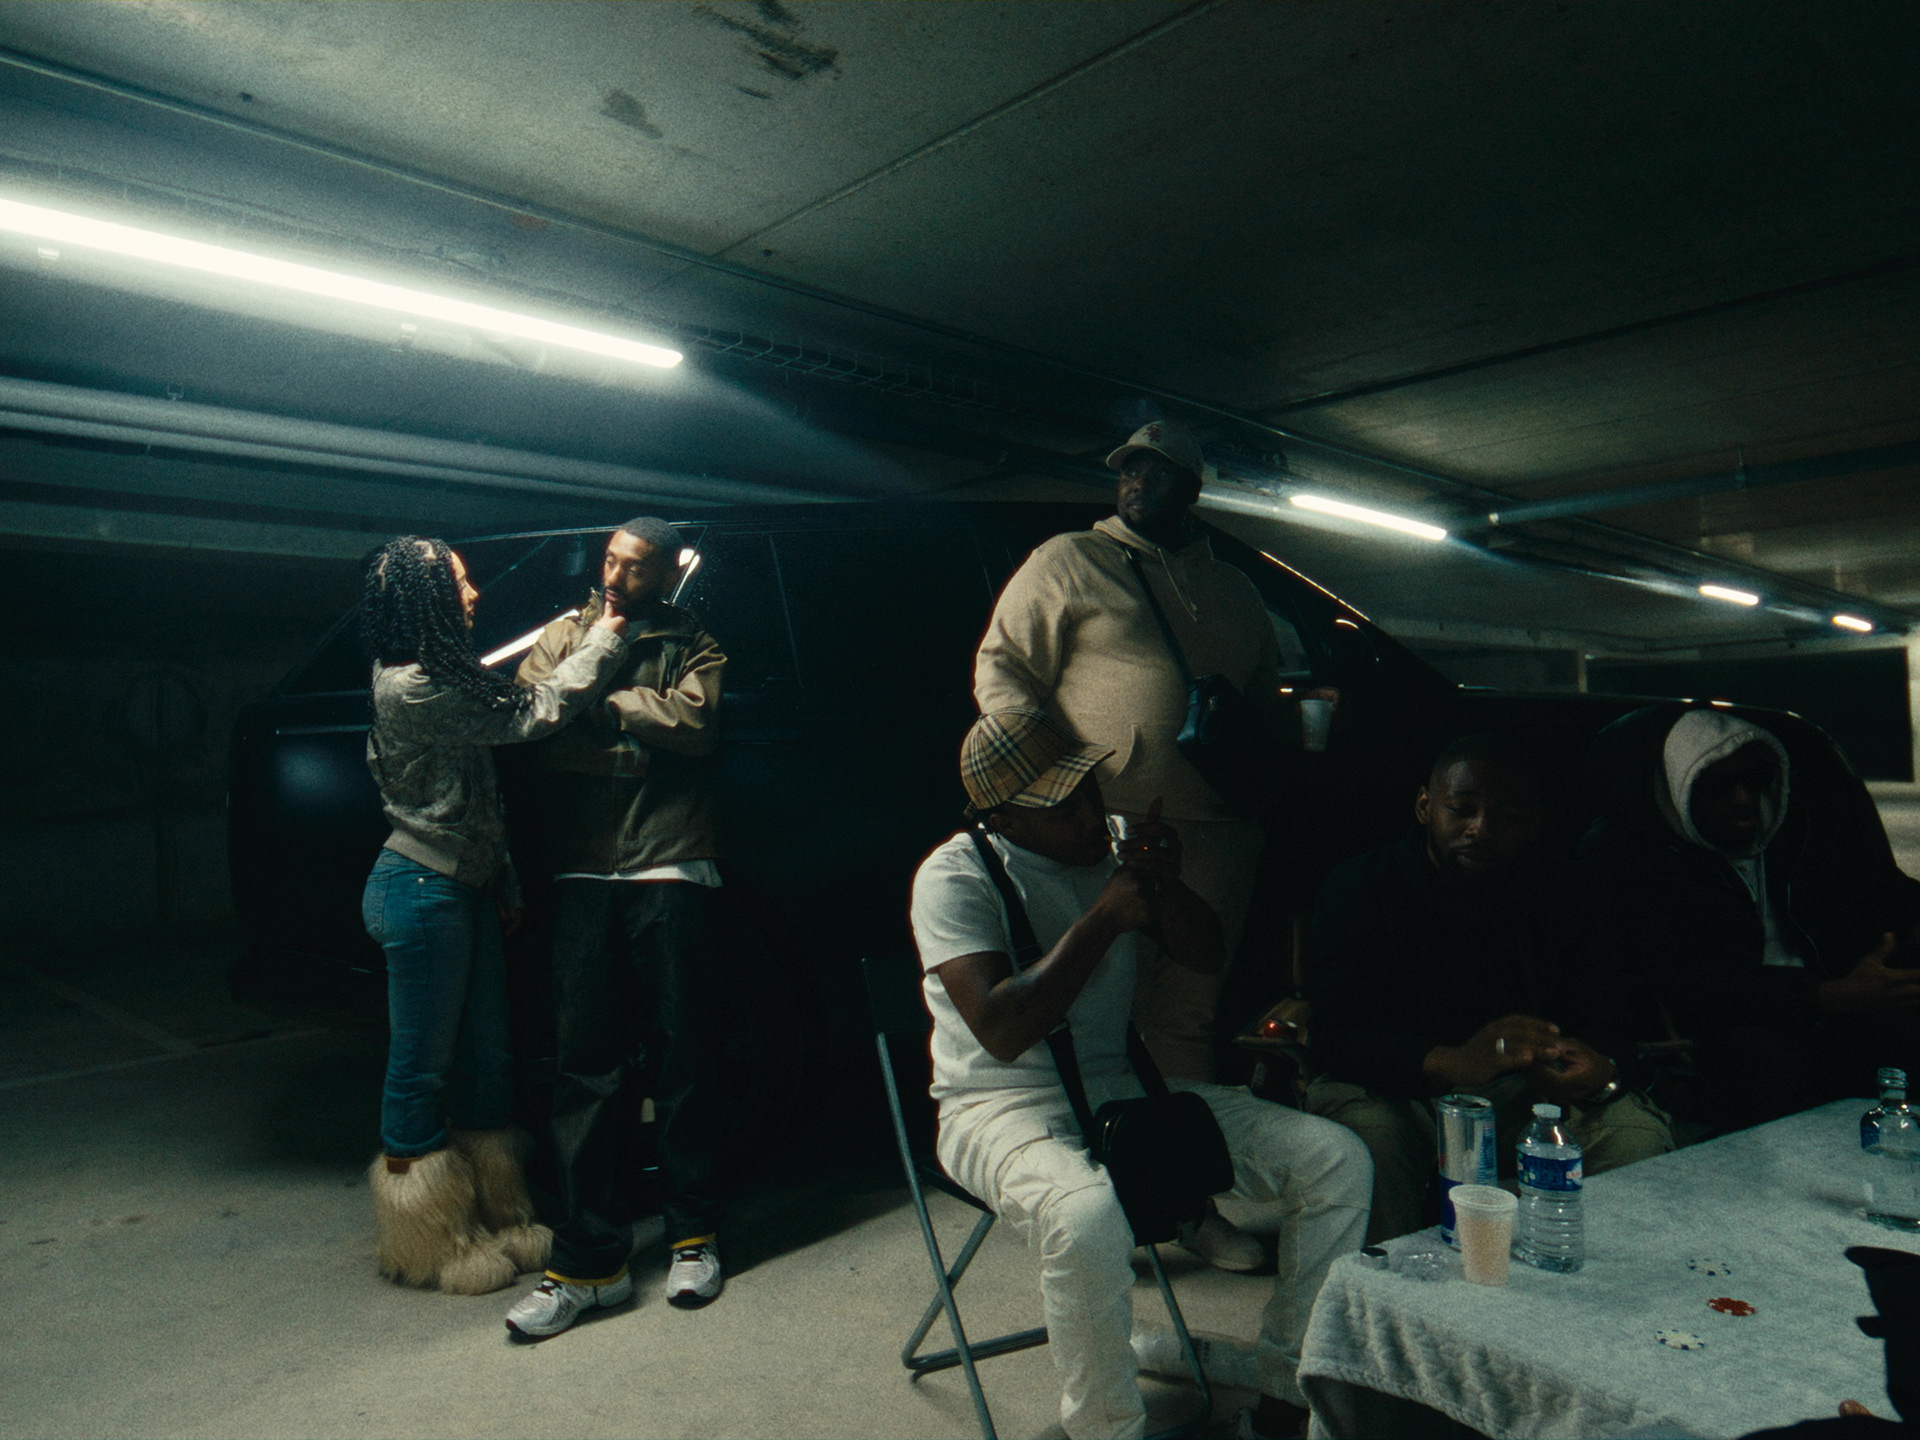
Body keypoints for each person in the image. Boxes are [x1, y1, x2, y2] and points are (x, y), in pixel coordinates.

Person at [911, 707, 1372, 1440]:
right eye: (1063, 807)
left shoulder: (1113, 847)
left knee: (1337, 1160)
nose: (1091, 815)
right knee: (1085, 1217)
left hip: (1122, 1090)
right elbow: (1002, 1031)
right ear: (1003, 819)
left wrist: (1163, 885)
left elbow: (1206, 954)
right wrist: (1105, 917)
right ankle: (1108, 1430)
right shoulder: (955, 875)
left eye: (1090, 791)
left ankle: (1288, 1393)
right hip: (995, 1108)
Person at [974, 418, 1305, 1089]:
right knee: (1100, 1002)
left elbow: (1262, 702)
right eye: (1130, 469)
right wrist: (1044, 788)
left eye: (1159, 474)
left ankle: (1186, 1137)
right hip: (1107, 825)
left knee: (1188, 1011)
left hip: (1218, 832)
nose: (1139, 483)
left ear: (1192, 491)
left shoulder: (1235, 589)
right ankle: (1105, 1136)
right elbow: (1003, 668)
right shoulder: (1069, 560)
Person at [360, 536, 630, 1294]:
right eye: (458, 583)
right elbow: (534, 713)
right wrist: (606, 639)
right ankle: (428, 1242)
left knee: (488, 1062)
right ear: (422, 602)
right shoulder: (411, 687)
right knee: (421, 1069)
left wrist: (502, 879)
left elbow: (478, 791)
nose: (473, 593)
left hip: (463, 887)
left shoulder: (440, 672)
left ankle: (501, 1218)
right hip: (421, 889)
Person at [1302, 733, 1673, 1245]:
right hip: (1396, 1089)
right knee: (1369, 1144)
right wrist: (1449, 1062)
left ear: (1533, 824)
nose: (1480, 828)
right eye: (1462, 809)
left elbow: (1608, 1018)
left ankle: (1604, 1283)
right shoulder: (1363, 886)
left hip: (1526, 1089)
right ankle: (1387, 1285)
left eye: (1506, 817)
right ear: (1425, 807)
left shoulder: (1566, 893)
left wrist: (1599, 1067)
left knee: (1634, 1137)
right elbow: (1335, 1034)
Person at [502, 516, 728, 1340]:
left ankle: (693, 1238)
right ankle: (589, 1266)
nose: (616, 578)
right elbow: (537, 729)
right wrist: (638, 726)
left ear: (665, 575)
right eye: (610, 561)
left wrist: (604, 704)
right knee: (585, 1070)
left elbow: (697, 728)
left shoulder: (695, 642)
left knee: (683, 1058)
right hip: (583, 869)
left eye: (636, 568)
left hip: (672, 862)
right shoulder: (562, 636)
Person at [1580, 703, 1920, 1134]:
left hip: (1844, 999)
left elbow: (1881, 890)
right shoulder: (1628, 859)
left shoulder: (1799, 828)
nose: (1743, 798)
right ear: (1677, 789)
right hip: (1728, 1028)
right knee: (1762, 1061)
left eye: (1756, 779)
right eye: (1717, 786)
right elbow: (1689, 980)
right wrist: (1828, 995)